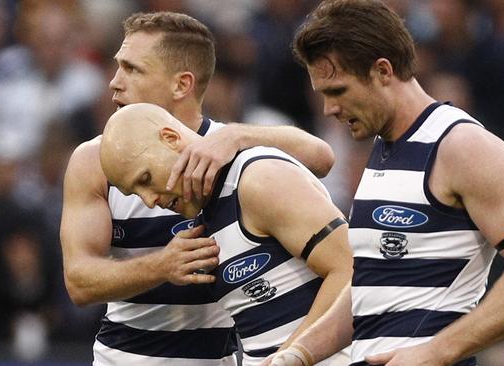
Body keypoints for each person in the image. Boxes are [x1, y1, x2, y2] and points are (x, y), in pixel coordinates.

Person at [265, 1, 504, 365]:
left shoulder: (460, 145)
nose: (329, 109)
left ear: (383, 71)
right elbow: (371, 288)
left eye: (338, 91)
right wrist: (298, 354)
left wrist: (438, 350)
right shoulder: (383, 148)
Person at [60, 11, 335, 365]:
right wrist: (162, 265)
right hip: (123, 356)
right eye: (118, 67)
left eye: (132, 69)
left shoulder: (229, 153)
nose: (114, 82)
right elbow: (79, 281)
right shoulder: (94, 160)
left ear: (182, 84)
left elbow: (321, 157)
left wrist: (237, 135)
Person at [99, 103, 353, 366]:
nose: (149, 200)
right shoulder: (206, 213)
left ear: (171, 138)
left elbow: (353, 269)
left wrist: (294, 356)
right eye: (135, 193)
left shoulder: (255, 179)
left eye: (145, 179)